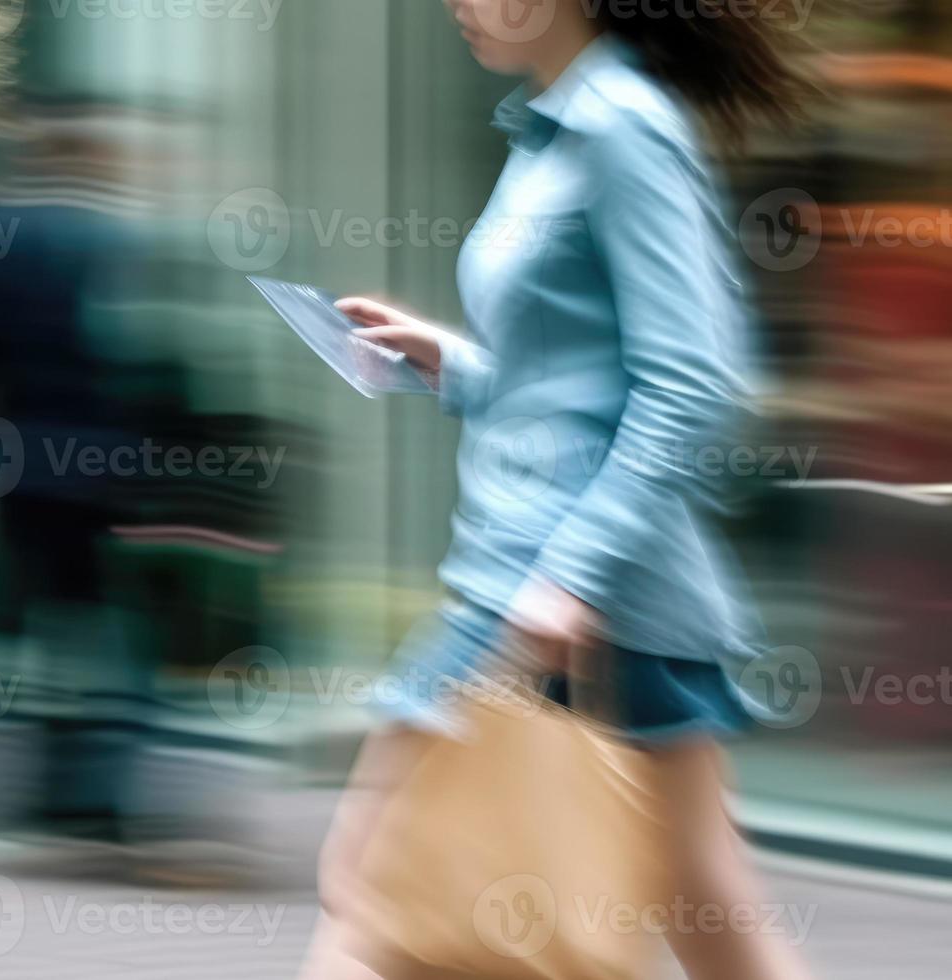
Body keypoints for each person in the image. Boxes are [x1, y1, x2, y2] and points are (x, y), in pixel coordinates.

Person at [302, 1, 818, 978]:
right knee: (710, 916)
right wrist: (447, 362)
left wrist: (569, 578)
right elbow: (569, 384)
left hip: (566, 593)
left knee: (369, 893)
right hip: (542, 579)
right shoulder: (554, 126)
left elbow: (689, 384)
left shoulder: (622, 127)